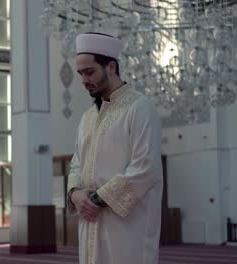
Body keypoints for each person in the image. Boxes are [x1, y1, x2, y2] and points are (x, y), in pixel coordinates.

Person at [67, 32, 163, 264]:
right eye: (80, 73)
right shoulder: (87, 117)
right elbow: (76, 164)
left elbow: (145, 167)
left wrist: (96, 200)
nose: (84, 80)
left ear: (111, 67)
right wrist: (75, 194)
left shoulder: (140, 108)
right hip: (90, 223)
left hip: (126, 228)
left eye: (90, 72)